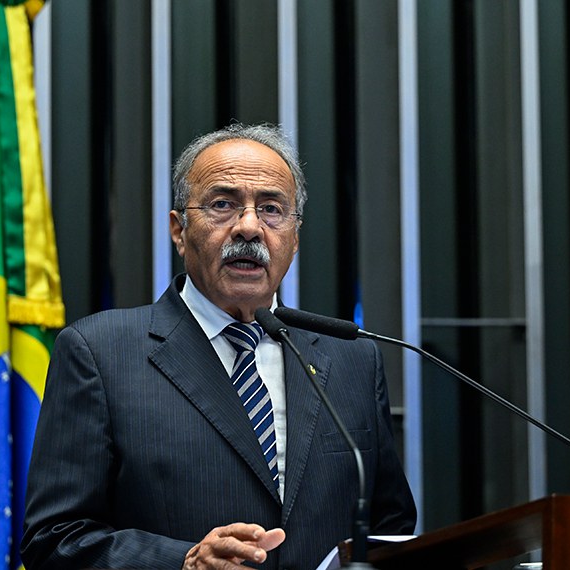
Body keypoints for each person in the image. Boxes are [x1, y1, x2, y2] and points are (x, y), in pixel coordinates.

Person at [21, 123, 416, 569]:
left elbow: (391, 525)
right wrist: (183, 562)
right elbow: (55, 541)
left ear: (295, 237)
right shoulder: (99, 353)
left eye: (271, 209)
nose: (248, 227)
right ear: (179, 230)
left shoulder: (351, 359)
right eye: (223, 204)